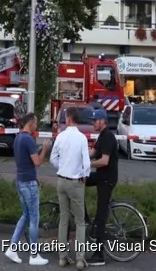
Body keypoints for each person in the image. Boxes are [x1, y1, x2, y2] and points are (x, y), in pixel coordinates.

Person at [4, 113, 51, 265]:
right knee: (34, 218)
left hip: (20, 180)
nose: (36, 127)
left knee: (25, 215)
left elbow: (25, 161)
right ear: (30, 124)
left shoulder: (18, 138)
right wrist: (44, 149)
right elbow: (37, 162)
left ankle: (12, 247)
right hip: (29, 183)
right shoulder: (28, 139)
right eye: (36, 124)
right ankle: (34, 255)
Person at [50, 107, 91, 269]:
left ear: (68, 119)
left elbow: (53, 158)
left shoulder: (60, 136)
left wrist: (62, 167)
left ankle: (62, 257)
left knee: (64, 219)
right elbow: (86, 163)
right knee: (80, 222)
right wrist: (84, 175)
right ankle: (80, 259)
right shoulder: (82, 138)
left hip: (61, 181)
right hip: (75, 182)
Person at [85, 108, 119, 266]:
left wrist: (87, 164)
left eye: (94, 120)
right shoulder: (102, 136)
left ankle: (99, 256)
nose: (93, 123)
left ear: (102, 121)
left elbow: (104, 161)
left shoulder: (108, 137)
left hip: (106, 179)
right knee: (79, 179)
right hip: (101, 176)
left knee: (101, 214)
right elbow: (92, 152)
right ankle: (85, 218)